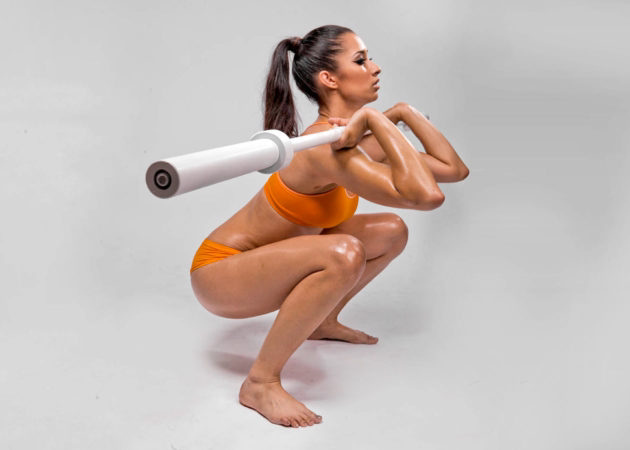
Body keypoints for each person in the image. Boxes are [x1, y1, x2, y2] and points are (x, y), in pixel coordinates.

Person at [190, 24, 469, 428]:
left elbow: (452, 170)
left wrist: (403, 112)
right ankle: (261, 382)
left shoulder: (351, 140)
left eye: (369, 58)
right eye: (361, 60)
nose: (374, 67)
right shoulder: (323, 146)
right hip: (220, 273)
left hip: (267, 263)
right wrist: (376, 119)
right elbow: (426, 197)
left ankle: (320, 321)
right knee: (343, 253)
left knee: (391, 230)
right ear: (329, 79)